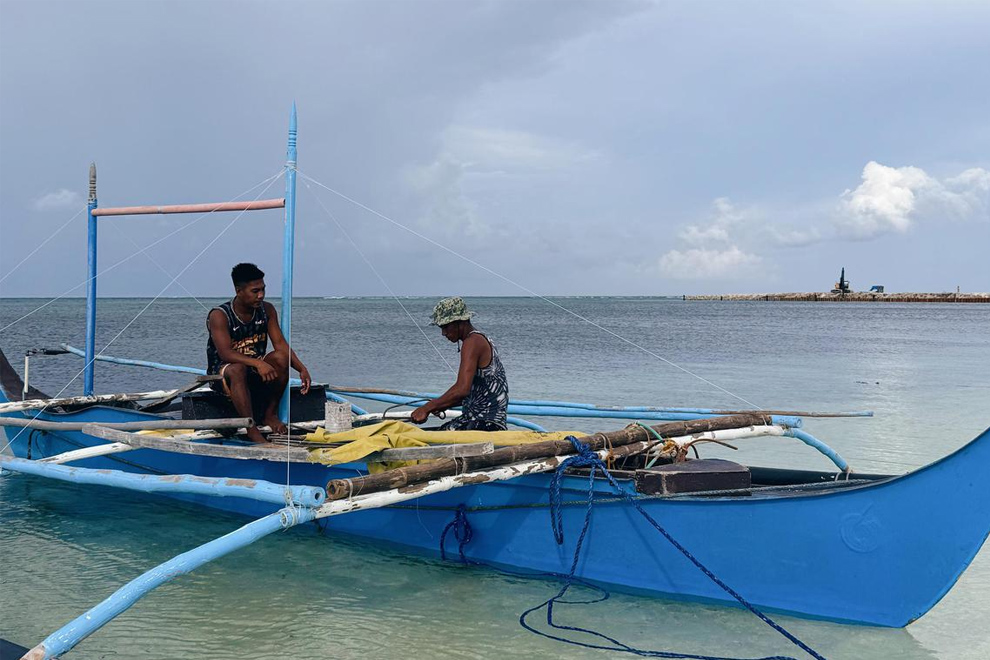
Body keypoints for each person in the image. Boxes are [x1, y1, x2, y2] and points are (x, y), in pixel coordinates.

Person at [206, 263, 311, 443]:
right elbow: (225, 353)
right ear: (239, 291)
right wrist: (258, 363)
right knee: (237, 368)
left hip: (255, 371)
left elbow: (280, 343)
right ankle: (251, 428)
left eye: (263, 289)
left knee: (280, 358)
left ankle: (270, 414)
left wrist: (301, 368)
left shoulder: (267, 310)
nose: (260, 295)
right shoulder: (220, 315)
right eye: (255, 291)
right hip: (224, 374)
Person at [410, 297, 508, 431]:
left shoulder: (472, 342)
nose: (444, 333)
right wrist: (440, 405)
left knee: (416, 438)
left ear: (460, 322)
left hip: (484, 424)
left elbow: (462, 389)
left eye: (446, 327)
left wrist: (427, 408)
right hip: (481, 420)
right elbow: (473, 394)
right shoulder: (480, 338)